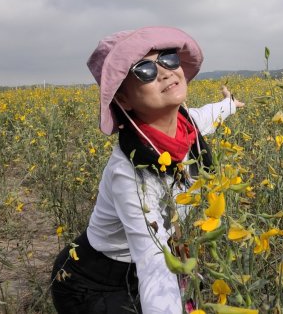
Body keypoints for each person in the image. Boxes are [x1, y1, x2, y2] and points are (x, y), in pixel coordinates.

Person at [50, 26, 244, 313]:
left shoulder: (185, 125)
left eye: (168, 58)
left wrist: (228, 105)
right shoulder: (128, 173)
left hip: (147, 264)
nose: (164, 71)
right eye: (144, 70)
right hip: (93, 280)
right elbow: (155, 260)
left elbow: (206, 116)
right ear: (124, 99)